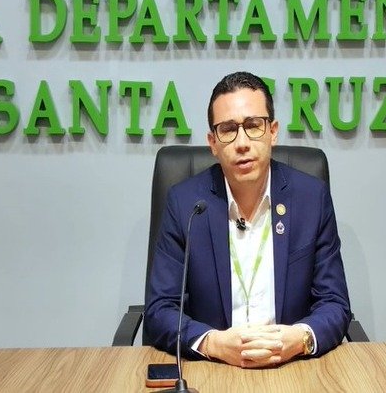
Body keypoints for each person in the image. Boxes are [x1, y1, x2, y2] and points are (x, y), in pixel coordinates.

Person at [144, 71, 351, 368]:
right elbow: (160, 309)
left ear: (273, 131)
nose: (242, 143)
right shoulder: (186, 203)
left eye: (253, 125)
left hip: (294, 366)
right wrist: (213, 343)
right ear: (213, 143)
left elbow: (335, 303)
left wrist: (299, 338)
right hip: (213, 367)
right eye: (228, 129)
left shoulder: (311, 198)